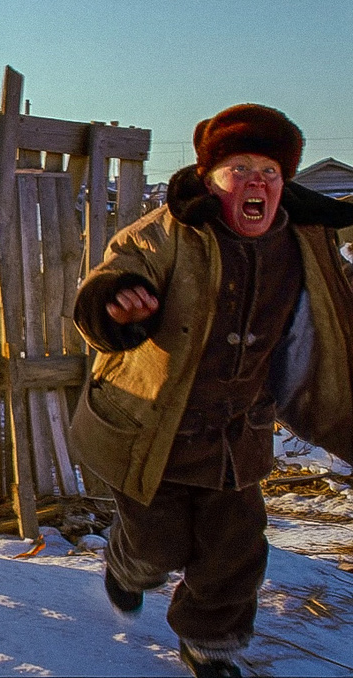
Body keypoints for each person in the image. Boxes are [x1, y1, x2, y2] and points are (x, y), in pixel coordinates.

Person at [69, 103, 353, 678]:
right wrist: (120, 299)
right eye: (239, 168)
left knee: (236, 553)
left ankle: (211, 646)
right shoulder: (166, 234)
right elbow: (113, 274)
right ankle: (128, 565)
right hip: (153, 429)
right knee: (158, 546)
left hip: (236, 437)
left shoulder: (304, 243)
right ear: (209, 177)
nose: (256, 181)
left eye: (270, 172)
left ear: (285, 183)